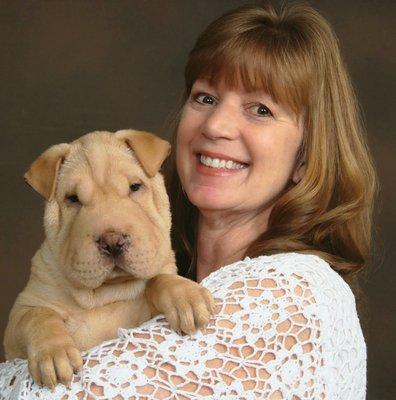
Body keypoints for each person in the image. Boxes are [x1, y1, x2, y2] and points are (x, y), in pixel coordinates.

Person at [0, 2, 377, 399]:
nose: (216, 125)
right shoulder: (167, 283)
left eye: (261, 109)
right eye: (205, 98)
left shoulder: (289, 297)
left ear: (305, 156)